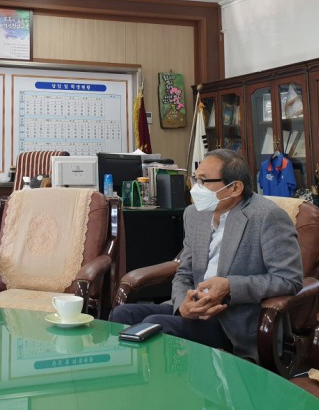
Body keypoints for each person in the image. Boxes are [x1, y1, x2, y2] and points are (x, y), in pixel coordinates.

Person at [110, 148, 303, 362]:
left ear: (235, 187)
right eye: (195, 179)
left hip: (235, 320)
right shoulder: (194, 214)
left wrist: (230, 286)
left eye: (204, 181)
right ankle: (134, 377)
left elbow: (289, 279)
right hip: (196, 307)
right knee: (122, 314)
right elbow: (184, 272)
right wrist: (182, 306)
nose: (196, 188)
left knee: (156, 325)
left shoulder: (268, 216)